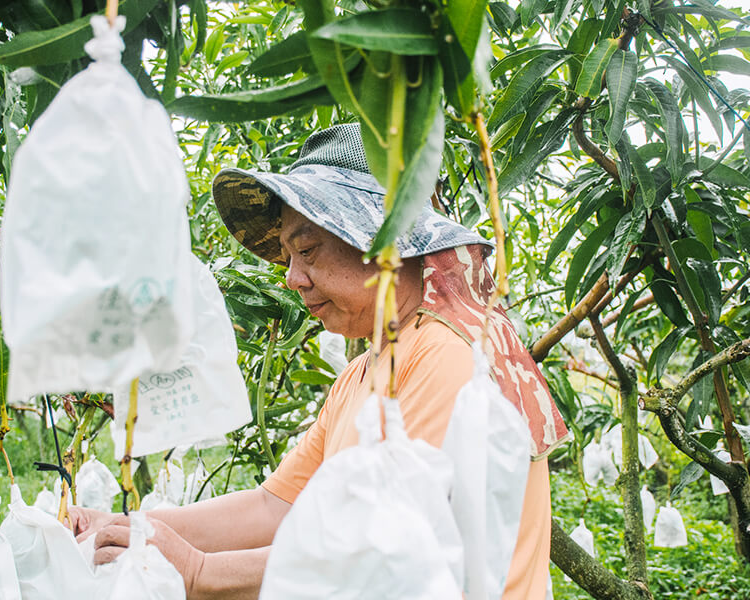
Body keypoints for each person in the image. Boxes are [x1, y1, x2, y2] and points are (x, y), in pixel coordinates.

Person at [70, 123, 569, 599]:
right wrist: (126, 528)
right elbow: (277, 506)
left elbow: (381, 552)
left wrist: (200, 572)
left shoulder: (447, 355)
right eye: (289, 257)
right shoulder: (365, 369)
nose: (292, 279)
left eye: (307, 250)